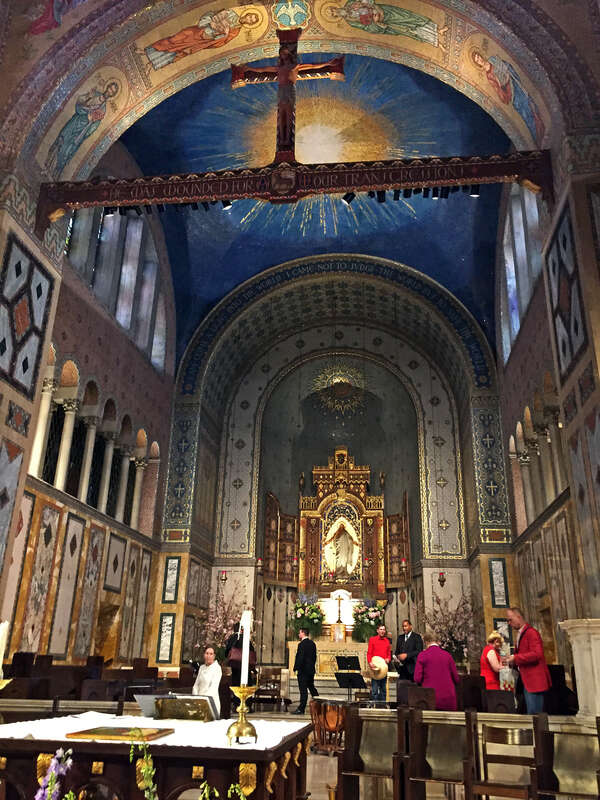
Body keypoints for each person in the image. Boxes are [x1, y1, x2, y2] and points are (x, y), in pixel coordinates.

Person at [145, 9, 261, 71]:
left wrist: (221, 35)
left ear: (250, 23)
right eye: (251, 17)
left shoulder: (236, 31)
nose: (249, 19)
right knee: (176, 38)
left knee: (180, 52)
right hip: (199, 30)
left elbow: (222, 43)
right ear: (247, 14)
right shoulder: (231, 13)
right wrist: (219, 26)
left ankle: (154, 64)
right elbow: (215, 16)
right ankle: (147, 51)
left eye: (252, 21)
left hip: (204, 41)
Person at [45, 82, 119, 177]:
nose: (110, 91)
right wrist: (88, 99)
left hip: (81, 131)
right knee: (60, 140)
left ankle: (54, 174)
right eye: (110, 88)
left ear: (112, 95)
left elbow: (94, 126)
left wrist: (89, 126)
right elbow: (79, 104)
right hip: (75, 121)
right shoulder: (94, 94)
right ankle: (47, 167)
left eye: (112, 91)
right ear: (107, 87)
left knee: (67, 151)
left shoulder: (103, 109)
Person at [504, 606, 551, 714]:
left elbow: (537, 654)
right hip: (526, 680)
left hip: (534, 681)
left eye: (510, 619)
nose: (509, 623)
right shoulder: (520, 634)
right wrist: (512, 660)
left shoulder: (531, 633)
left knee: (536, 716)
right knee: (530, 715)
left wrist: (515, 658)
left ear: (519, 617)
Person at [414, 631, 459, 711]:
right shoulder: (447, 655)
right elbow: (456, 679)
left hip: (430, 699)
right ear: (438, 641)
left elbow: (417, 678)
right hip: (449, 699)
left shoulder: (423, 655)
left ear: (426, 642)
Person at [225, 626, 257, 708]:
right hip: (246, 667)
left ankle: (237, 705)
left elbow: (227, 652)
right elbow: (252, 652)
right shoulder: (246, 639)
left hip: (235, 667)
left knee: (236, 685)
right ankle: (247, 705)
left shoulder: (232, 638)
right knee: (246, 685)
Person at [293, 627, 318, 714]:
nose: (298, 634)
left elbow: (300, 658)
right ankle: (319, 705)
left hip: (303, 671)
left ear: (303, 633)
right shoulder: (312, 644)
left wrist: (296, 668)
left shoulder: (302, 644)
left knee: (303, 690)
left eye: (299, 632)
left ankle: (301, 708)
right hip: (310, 670)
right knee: (311, 688)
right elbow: (315, 657)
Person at [192, 645, 222, 718]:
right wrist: (196, 698)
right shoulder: (202, 668)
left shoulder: (217, 668)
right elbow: (196, 685)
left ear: (214, 656)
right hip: (198, 702)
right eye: (207, 653)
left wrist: (203, 700)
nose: (208, 656)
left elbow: (213, 688)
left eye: (211, 654)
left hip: (210, 702)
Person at [367, 623, 392, 701]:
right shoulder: (372, 639)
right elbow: (369, 653)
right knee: (374, 690)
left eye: (383, 629)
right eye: (381, 629)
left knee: (383, 689)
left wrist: (388, 659)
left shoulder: (387, 641)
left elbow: (389, 654)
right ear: (377, 631)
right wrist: (370, 662)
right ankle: (374, 706)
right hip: (375, 668)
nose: (382, 631)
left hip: (383, 668)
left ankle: (383, 707)